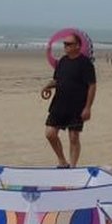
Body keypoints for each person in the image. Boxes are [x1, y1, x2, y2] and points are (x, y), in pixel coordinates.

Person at [40, 33, 96, 168]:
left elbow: (92, 86)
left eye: (69, 44)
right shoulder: (62, 61)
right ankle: (62, 161)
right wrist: (48, 85)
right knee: (50, 134)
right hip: (59, 104)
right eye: (64, 44)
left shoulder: (85, 63)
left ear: (78, 46)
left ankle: (73, 167)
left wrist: (88, 107)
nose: (65, 46)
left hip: (77, 106)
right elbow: (57, 80)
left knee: (73, 138)